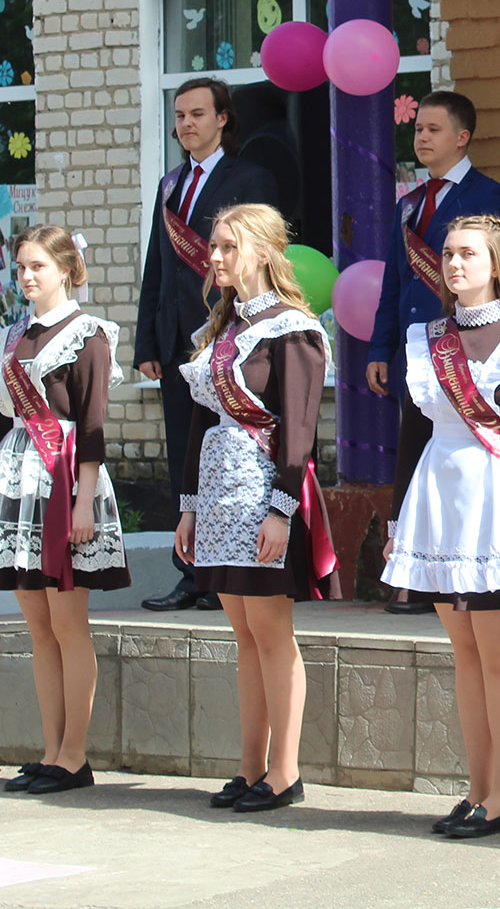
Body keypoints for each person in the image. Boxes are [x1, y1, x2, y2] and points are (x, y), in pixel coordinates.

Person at [381, 215, 500, 839]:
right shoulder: (426, 338)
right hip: (437, 496)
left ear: (497, 264)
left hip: (496, 497)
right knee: (464, 653)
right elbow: (411, 434)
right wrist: (397, 516)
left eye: (469, 254)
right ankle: (477, 789)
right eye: (449, 254)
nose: (455, 264)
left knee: (499, 653)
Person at [176, 203, 337, 814]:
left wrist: (281, 510)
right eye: (214, 246)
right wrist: (190, 507)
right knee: (243, 634)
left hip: (264, 493)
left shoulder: (292, 328)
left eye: (229, 246)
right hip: (218, 494)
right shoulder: (223, 327)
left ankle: (285, 770)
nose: (215, 257)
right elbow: (200, 422)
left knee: (271, 633)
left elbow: (299, 428)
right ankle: (249, 766)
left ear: (265, 252)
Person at [0, 225, 127, 795]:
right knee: (39, 628)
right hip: (18, 481)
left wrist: (84, 501)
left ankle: (74, 756)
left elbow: (92, 424)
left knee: (68, 625)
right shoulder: (13, 335)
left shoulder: (89, 334)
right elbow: (1, 417)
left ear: (66, 269)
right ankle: (49, 750)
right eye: (20, 267)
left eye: (37, 266)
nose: (26, 276)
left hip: (64, 481)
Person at [136, 77, 280, 613]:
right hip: (177, 339)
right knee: (185, 452)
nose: (186, 124)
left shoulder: (251, 176)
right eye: (179, 116)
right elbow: (157, 263)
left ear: (223, 118)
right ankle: (191, 572)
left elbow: (262, 257)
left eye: (197, 114)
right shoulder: (171, 183)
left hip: (232, 336)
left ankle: (227, 570)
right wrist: (147, 339)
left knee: (232, 454)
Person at [367, 90, 500, 403]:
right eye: (418, 129)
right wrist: (381, 349)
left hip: (464, 350)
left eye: (433, 130)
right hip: (413, 351)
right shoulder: (408, 204)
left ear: (462, 137)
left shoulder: (489, 195)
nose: (422, 137)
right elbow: (394, 282)